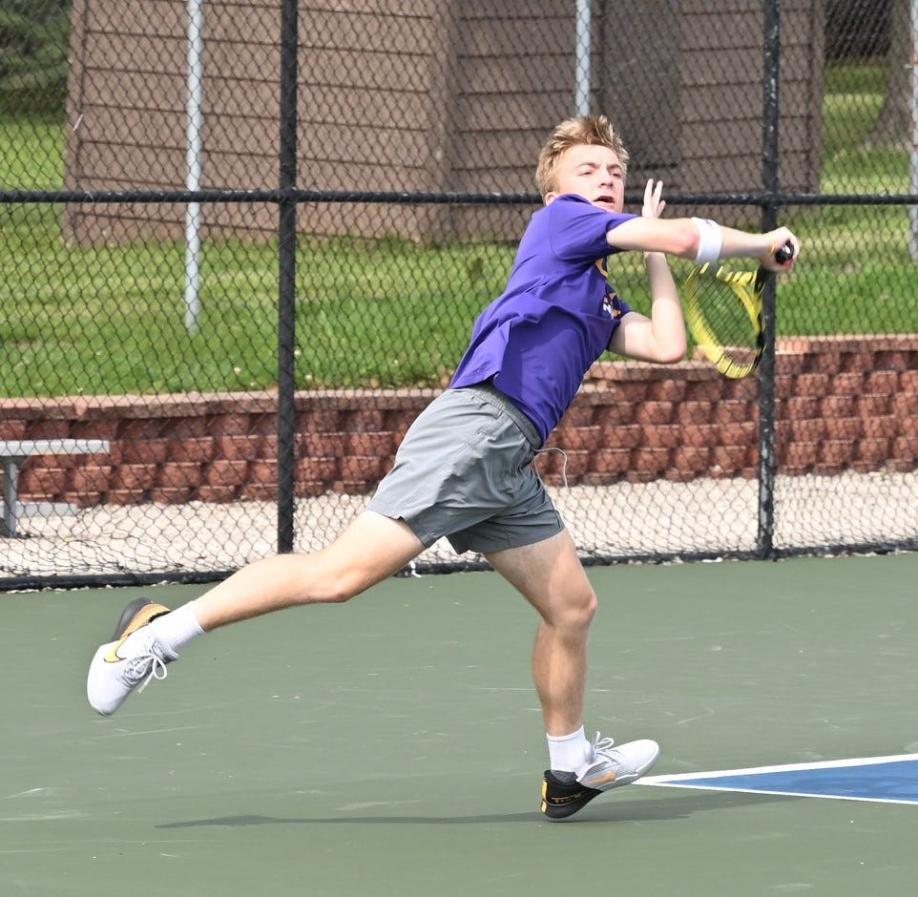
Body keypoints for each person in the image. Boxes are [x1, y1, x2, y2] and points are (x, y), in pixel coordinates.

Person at [86, 115, 799, 820]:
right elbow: (683, 232)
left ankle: (570, 765)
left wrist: (655, 257)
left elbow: (668, 344)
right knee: (339, 577)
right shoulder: (562, 225)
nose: (605, 180)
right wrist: (763, 244)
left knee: (571, 606)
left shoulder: (594, 288)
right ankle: (151, 637)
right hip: (476, 431)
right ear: (554, 191)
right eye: (588, 170)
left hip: (507, 458)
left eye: (613, 171)